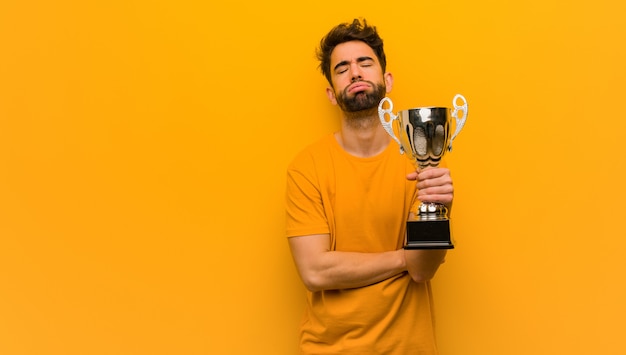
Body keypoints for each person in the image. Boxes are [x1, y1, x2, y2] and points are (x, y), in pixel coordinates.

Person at [285, 18, 454, 354]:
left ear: (386, 80)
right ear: (331, 94)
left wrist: (440, 208)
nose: (355, 73)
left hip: (409, 347)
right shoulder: (307, 167)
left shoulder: (424, 165)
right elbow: (315, 272)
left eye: (365, 63)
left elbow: (422, 269)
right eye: (342, 67)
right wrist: (402, 257)